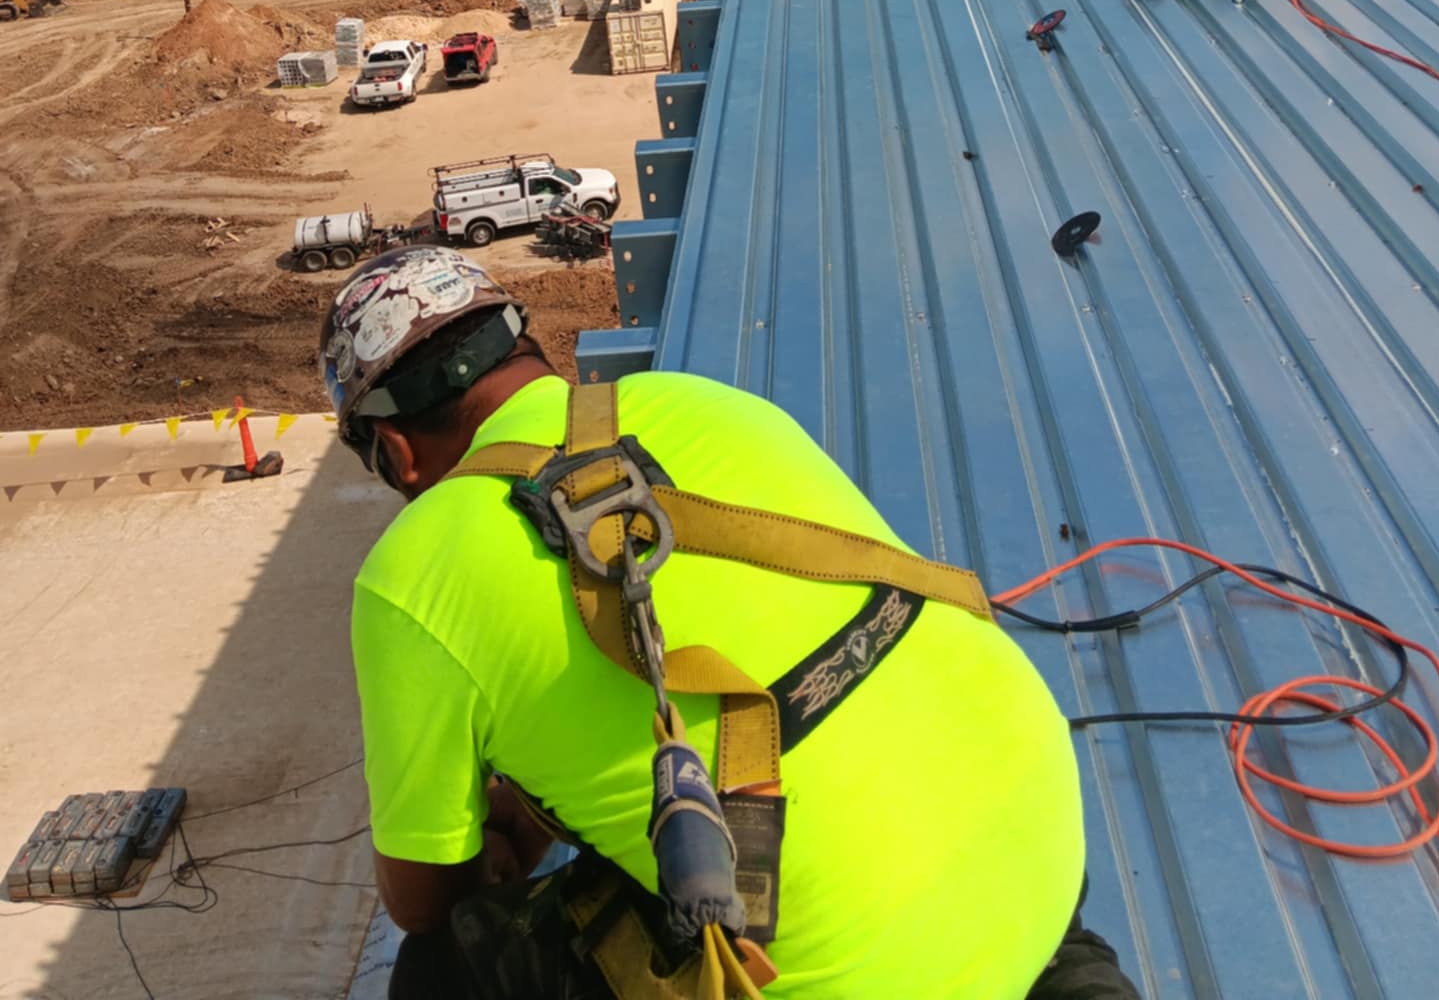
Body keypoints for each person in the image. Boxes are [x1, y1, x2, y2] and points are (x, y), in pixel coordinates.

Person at [322, 247, 1140, 999]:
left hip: (852, 961)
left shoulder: (408, 578)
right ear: (526, 351)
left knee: (445, 967)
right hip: (1035, 826)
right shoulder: (706, 399)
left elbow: (424, 898)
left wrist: (519, 825)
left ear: (396, 450)